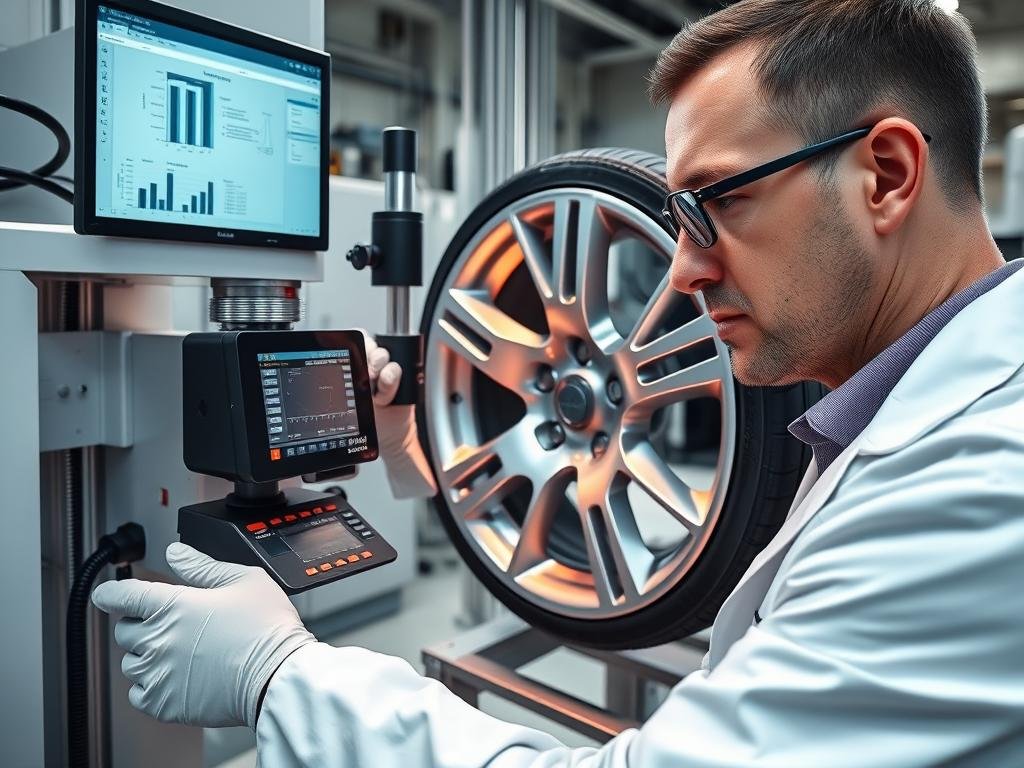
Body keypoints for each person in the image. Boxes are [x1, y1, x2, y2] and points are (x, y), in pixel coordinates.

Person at [93, 1, 1024, 765]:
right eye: (675, 215)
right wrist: (424, 443)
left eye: (718, 202)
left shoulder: (978, 487)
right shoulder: (906, 401)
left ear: (888, 175)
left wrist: (278, 674)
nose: (681, 271)